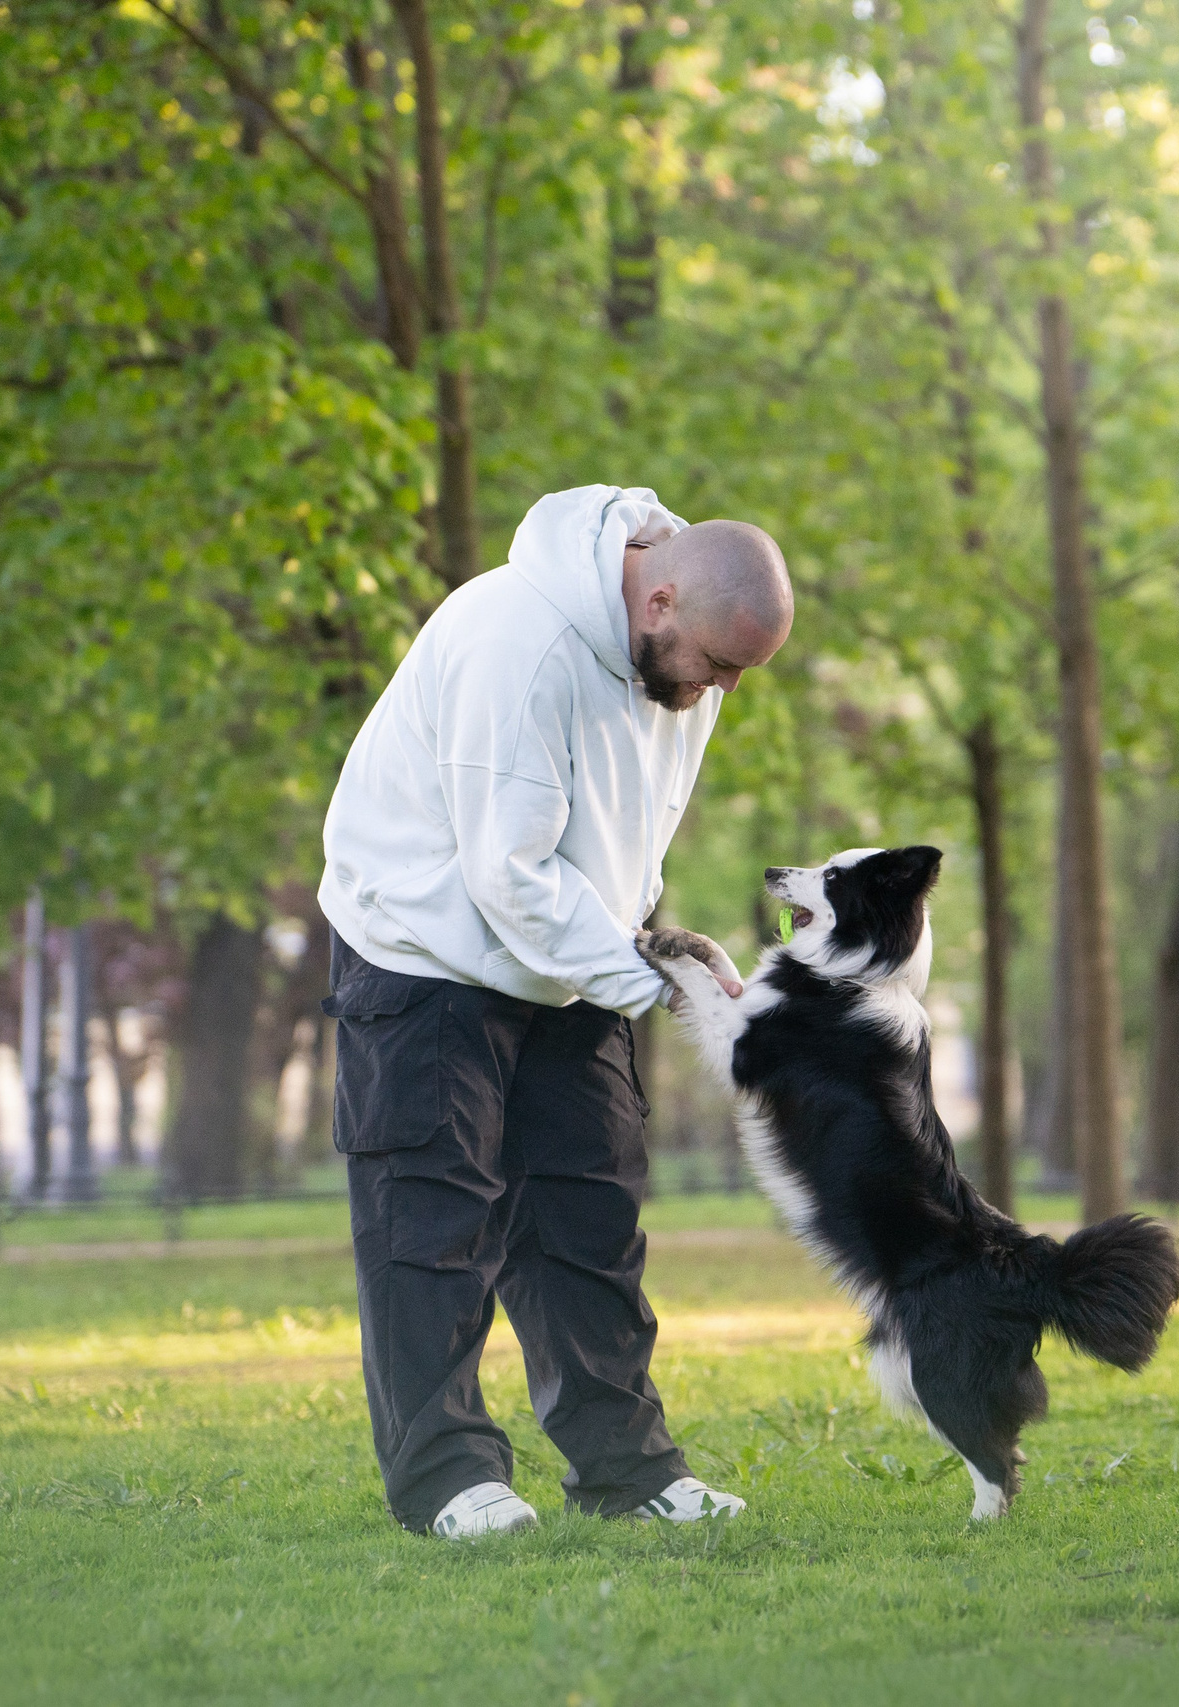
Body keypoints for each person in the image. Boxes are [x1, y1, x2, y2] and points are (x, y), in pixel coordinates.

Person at [316, 484, 791, 1540]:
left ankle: (627, 1474)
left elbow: (628, 827)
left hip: (572, 960)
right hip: (426, 951)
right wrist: (657, 984)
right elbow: (508, 872)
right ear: (658, 598)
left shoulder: (683, 663)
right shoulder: (513, 643)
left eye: (740, 673)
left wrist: (655, 944)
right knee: (431, 1223)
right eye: (717, 663)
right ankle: (447, 1482)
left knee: (591, 1219)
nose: (721, 688)